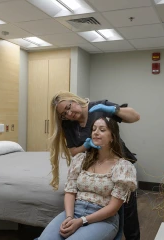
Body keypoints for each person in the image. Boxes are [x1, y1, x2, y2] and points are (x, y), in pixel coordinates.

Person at [49, 91, 141, 240]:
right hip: (92, 163)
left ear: (74, 100)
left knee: (129, 215)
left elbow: (135, 116)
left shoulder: (100, 108)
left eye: (68, 107)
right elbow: (74, 152)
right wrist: (86, 146)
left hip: (116, 164)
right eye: (64, 114)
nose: (69, 113)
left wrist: (115, 110)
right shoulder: (69, 124)